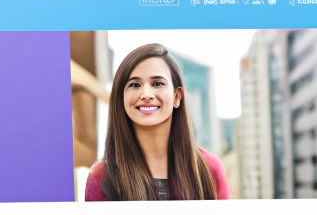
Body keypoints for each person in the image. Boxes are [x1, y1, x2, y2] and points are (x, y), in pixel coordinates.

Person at [84, 43, 229, 201]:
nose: (146, 94)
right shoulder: (101, 177)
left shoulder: (210, 168)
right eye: (134, 85)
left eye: (157, 83)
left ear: (177, 97)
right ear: (121, 98)